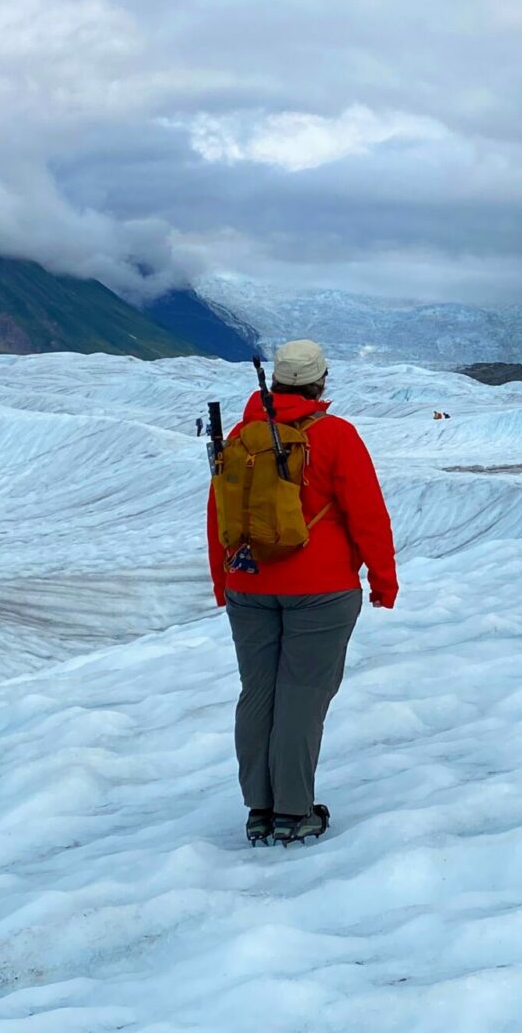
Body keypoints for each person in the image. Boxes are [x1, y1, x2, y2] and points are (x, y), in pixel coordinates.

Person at [206, 339, 398, 846]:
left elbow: (219, 516)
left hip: (248, 584)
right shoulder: (335, 436)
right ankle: (293, 812)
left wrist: (223, 582)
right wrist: (383, 580)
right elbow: (368, 515)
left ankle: (259, 809)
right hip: (321, 590)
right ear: (320, 381)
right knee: (302, 696)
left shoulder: (242, 438)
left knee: (258, 694)